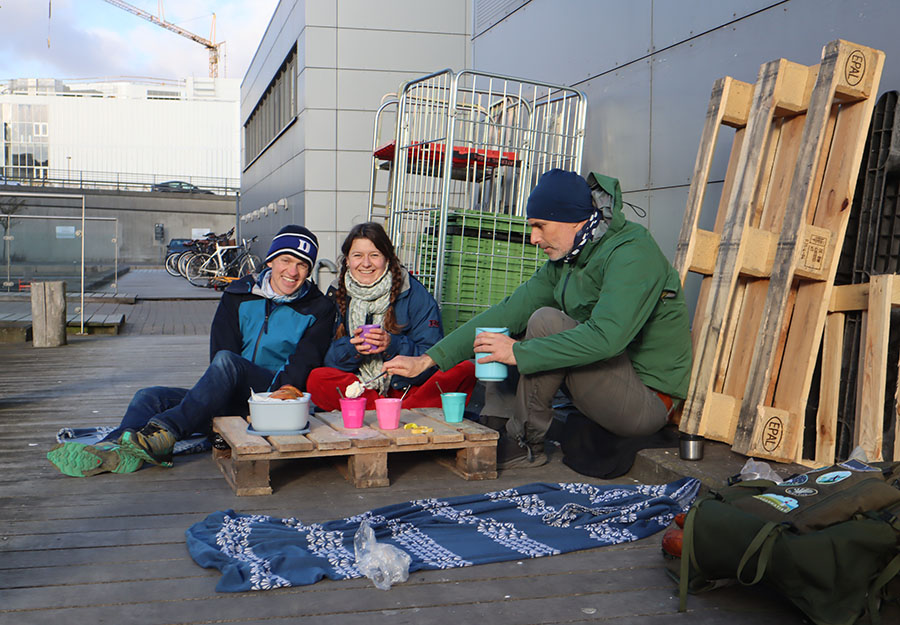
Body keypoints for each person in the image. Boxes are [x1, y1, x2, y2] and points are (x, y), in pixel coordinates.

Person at [384, 169, 692, 469]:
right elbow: (508, 311)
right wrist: (426, 360)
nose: (533, 238)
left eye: (541, 225)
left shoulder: (632, 252)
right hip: (606, 385)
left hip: (646, 402)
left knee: (545, 323)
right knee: (503, 330)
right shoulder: (571, 257)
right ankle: (498, 426)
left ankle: (524, 444)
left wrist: (517, 352)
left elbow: (606, 338)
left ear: (574, 220)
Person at [48, 225, 336, 477]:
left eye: (302, 265)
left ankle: (166, 432)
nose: (293, 271)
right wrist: (216, 401)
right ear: (272, 260)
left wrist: (276, 395)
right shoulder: (239, 294)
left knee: (226, 363)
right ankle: (111, 450)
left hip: (274, 396)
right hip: (229, 393)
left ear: (309, 271)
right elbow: (220, 353)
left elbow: (304, 362)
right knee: (148, 397)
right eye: (286, 260)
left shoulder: (319, 308)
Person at [306, 221, 475, 411]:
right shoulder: (336, 292)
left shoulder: (412, 292)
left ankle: (380, 412)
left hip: (405, 387)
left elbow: (432, 358)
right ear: (347, 260)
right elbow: (326, 359)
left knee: (465, 370)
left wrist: (392, 345)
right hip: (359, 388)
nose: (366, 263)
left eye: (374, 255)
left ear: (387, 258)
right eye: (358, 256)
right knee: (317, 379)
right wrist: (353, 349)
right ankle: (399, 413)